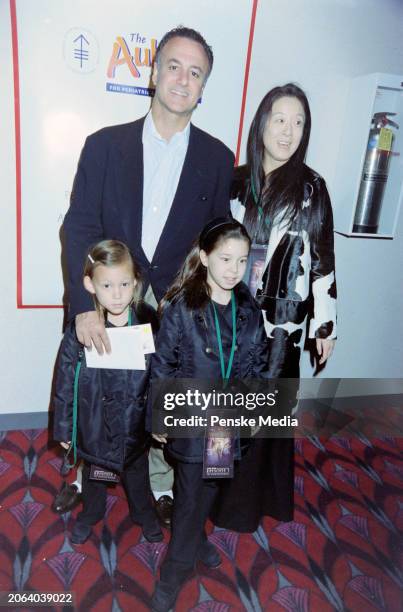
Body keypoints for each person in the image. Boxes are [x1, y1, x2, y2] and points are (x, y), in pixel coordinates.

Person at [60, 26, 234, 521]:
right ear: (153, 72)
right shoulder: (103, 145)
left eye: (195, 72)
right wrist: (80, 306)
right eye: (174, 66)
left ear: (203, 88)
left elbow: (214, 239)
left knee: (160, 395)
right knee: (94, 393)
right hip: (112, 294)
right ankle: (80, 474)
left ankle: (160, 486)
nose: (183, 79)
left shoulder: (217, 158)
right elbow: (79, 228)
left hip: (174, 300)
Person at [211, 83, 337, 530]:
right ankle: (214, 495)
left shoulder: (311, 187)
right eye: (280, 119)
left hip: (282, 321)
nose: (288, 132)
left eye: (298, 122)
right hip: (230, 311)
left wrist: (325, 326)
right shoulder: (235, 179)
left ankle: (249, 504)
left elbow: (323, 259)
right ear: (262, 121)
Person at [148, 218, 269, 612]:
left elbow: (254, 364)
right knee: (188, 495)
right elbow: (163, 365)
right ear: (204, 258)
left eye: (241, 260)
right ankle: (175, 567)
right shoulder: (183, 307)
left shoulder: (248, 309)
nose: (233, 270)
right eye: (224, 259)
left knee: (212, 484)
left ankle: (196, 538)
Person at [53, 240, 163, 545]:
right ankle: (91, 512)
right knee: (95, 475)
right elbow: (64, 380)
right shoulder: (83, 329)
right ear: (90, 284)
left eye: (124, 284)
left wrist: (160, 419)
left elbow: (161, 374)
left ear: (136, 282)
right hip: (95, 422)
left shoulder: (150, 322)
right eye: (107, 285)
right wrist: (65, 426)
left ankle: (144, 513)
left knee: (137, 474)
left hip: (134, 422)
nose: (117, 294)